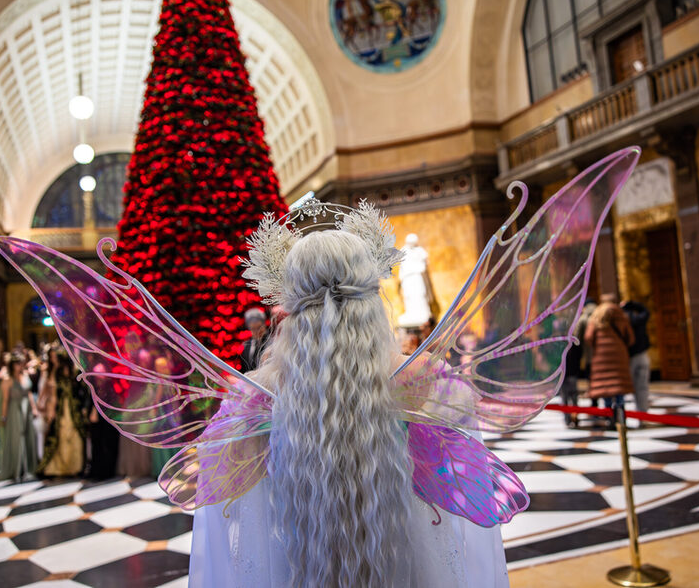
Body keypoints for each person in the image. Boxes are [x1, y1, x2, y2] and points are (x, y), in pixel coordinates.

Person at [190, 230, 509, 587]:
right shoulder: (420, 377)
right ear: (372, 292)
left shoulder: (259, 393)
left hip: (299, 564)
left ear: (290, 302)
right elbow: (462, 466)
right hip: (404, 562)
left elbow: (223, 482)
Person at [585, 294, 635, 423]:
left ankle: (609, 416)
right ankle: (621, 414)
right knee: (618, 386)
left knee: (605, 387)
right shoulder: (620, 315)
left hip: (601, 357)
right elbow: (630, 338)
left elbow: (588, 337)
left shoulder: (596, 316)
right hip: (619, 356)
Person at [38, 350, 87, 477]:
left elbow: (82, 390)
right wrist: (51, 411)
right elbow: (53, 394)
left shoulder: (75, 372)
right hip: (62, 409)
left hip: (74, 409)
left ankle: (75, 466)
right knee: (61, 434)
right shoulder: (57, 373)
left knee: (75, 435)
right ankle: (62, 467)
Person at [0, 354, 39, 481]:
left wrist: (34, 408)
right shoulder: (7, 380)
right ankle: (17, 468)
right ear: (12, 365)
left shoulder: (25, 375)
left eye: (21, 363)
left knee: (28, 436)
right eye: (17, 363)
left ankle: (28, 467)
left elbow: (29, 393)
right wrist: (4, 417)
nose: (19, 365)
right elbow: (5, 400)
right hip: (14, 411)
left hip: (26, 410)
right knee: (17, 437)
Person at [563, 298, 596, 428]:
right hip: (575, 368)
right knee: (574, 395)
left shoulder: (583, 320)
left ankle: (568, 418)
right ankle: (577, 415)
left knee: (566, 396)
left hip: (565, 371)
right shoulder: (598, 317)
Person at [622, 299, 651, 412]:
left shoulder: (622, 321)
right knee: (642, 386)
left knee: (629, 386)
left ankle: (629, 413)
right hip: (642, 355)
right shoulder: (638, 318)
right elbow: (646, 311)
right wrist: (634, 304)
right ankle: (642, 413)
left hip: (629, 357)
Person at [239, 307, 270, 373]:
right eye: (253, 329)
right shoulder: (246, 345)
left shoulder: (272, 342)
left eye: (259, 327)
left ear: (264, 325)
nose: (257, 331)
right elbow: (244, 369)